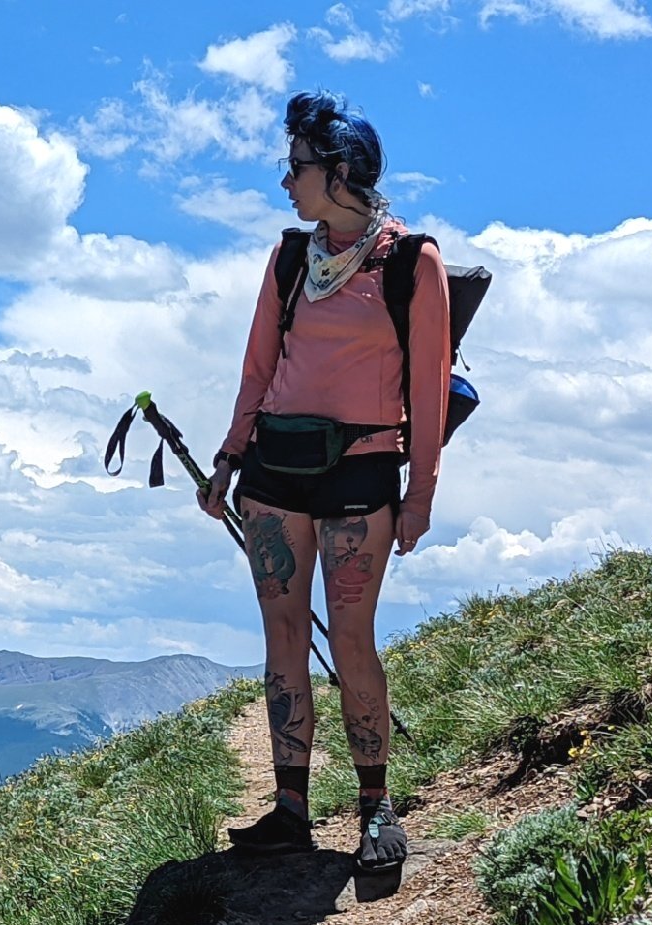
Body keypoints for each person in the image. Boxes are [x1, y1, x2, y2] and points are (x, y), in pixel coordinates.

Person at [197, 90, 450, 873]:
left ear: (340, 172)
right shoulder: (287, 258)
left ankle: (376, 810)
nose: (287, 184)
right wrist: (227, 459)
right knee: (281, 642)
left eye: (297, 168)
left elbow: (430, 390)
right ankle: (291, 810)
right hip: (273, 469)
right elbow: (258, 369)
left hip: (362, 470)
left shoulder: (412, 262)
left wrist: (420, 496)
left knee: (350, 638)